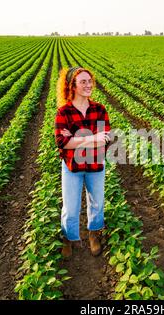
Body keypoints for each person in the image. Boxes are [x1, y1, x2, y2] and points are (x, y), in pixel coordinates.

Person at [55, 66, 112, 258]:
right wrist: (92, 139)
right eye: (83, 82)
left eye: (90, 81)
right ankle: (68, 238)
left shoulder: (100, 109)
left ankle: (93, 234)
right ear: (72, 86)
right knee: (70, 208)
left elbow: (105, 139)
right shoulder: (64, 112)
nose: (89, 85)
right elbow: (62, 142)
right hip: (72, 167)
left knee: (97, 203)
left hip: (95, 164)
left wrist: (77, 140)